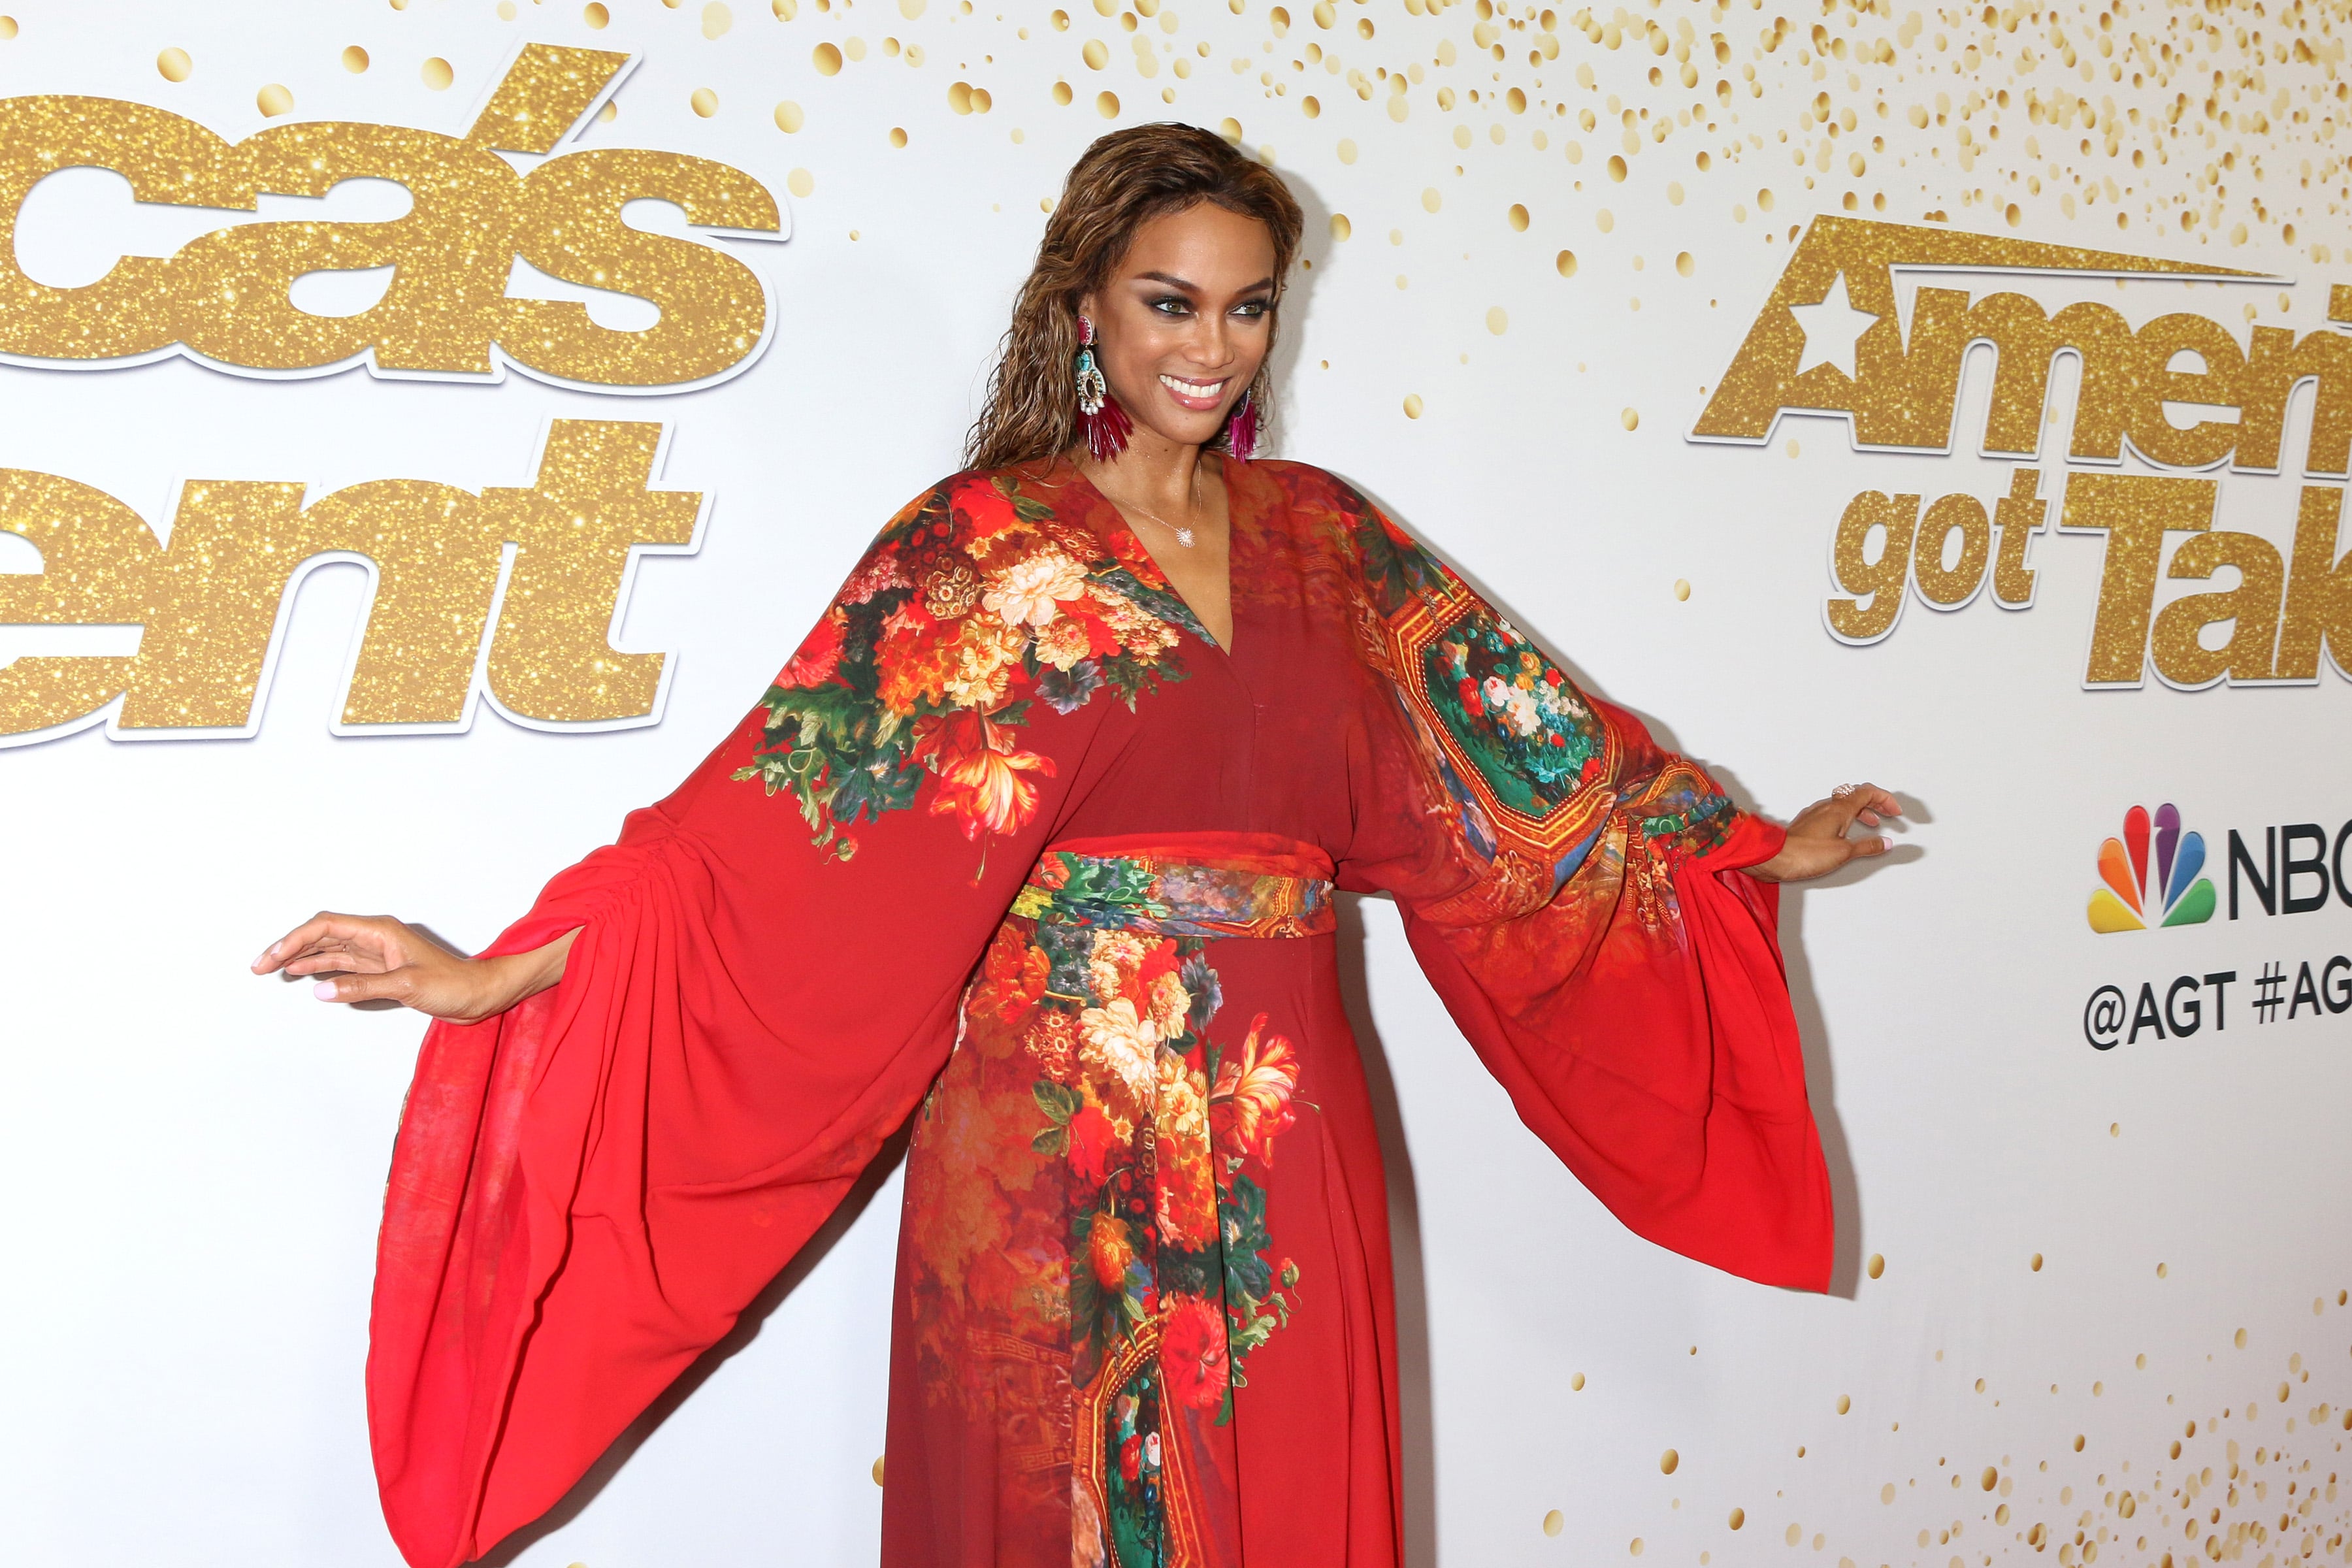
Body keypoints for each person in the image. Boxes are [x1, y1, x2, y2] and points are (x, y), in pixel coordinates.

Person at [254, 124, 1902, 1568]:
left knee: (1283, 1468)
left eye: (1249, 306)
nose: (1213, 346)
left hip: (1286, 1113)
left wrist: (1746, 851)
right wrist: (494, 974)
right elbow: (764, 832)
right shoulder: (985, 548)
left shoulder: (1328, 539)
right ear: (1086, 307)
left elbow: (1524, 772)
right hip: (1047, 1137)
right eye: (1171, 302)